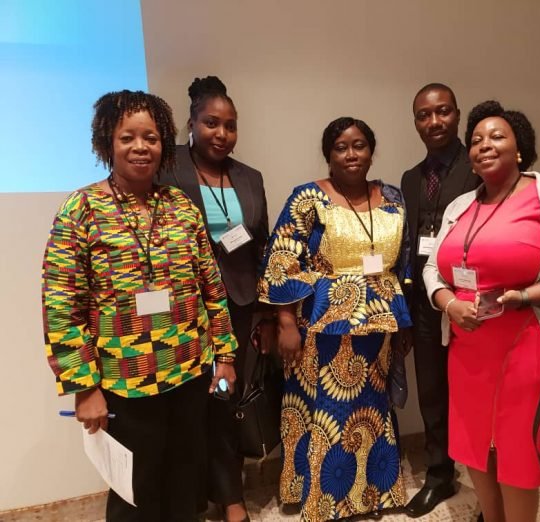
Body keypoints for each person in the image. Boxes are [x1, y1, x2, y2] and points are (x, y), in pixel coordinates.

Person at [41, 90, 238, 522]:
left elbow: (211, 288)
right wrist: (84, 387)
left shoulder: (181, 207)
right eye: (127, 137)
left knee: (185, 486)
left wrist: (224, 356)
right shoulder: (81, 209)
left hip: (189, 374)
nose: (140, 147)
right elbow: (61, 305)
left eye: (150, 137)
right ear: (106, 142)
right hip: (123, 383)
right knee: (135, 494)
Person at [423, 100, 540, 522]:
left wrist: (529, 295)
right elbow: (433, 268)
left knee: (519, 454)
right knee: (475, 447)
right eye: (476, 140)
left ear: (519, 147)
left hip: (527, 346)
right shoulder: (460, 206)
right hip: (468, 352)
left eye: (497, 136)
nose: (484, 145)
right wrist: (449, 302)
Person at [258, 117, 412, 521]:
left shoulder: (392, 196)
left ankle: (370, 495)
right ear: (328, 155)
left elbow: (404, 260)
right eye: (341, 147)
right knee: (327, 412)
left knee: (371, 412)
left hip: (379, 325)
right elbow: (281, 261)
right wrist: (285, 324)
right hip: (321, 327)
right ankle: (322, 501)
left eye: (359, 145)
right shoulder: (308, 197)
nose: (351, 154)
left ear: (371, 151)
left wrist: (404, 323)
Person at [159, 76, 273, 522]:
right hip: (181, 312)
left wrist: (266, 313)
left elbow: (261, 247)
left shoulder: (250, 178)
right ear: (191, 124)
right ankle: (188, 498)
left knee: (225, 397)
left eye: (230, 125)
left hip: (237, 308)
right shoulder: (166, 169)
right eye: (211, 123)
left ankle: (230, 496)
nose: (222, 134)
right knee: (185, 404)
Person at [400, 83, 481, 518]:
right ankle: (439, 474)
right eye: (424, 115)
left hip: (472, 303)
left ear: (457, 114)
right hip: (425, 302)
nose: (434, 121)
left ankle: (491, 483)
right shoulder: (411, 178)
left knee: (478, 394)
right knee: (431, 391)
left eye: (443, 111)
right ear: (415, 122)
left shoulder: (479, 166)